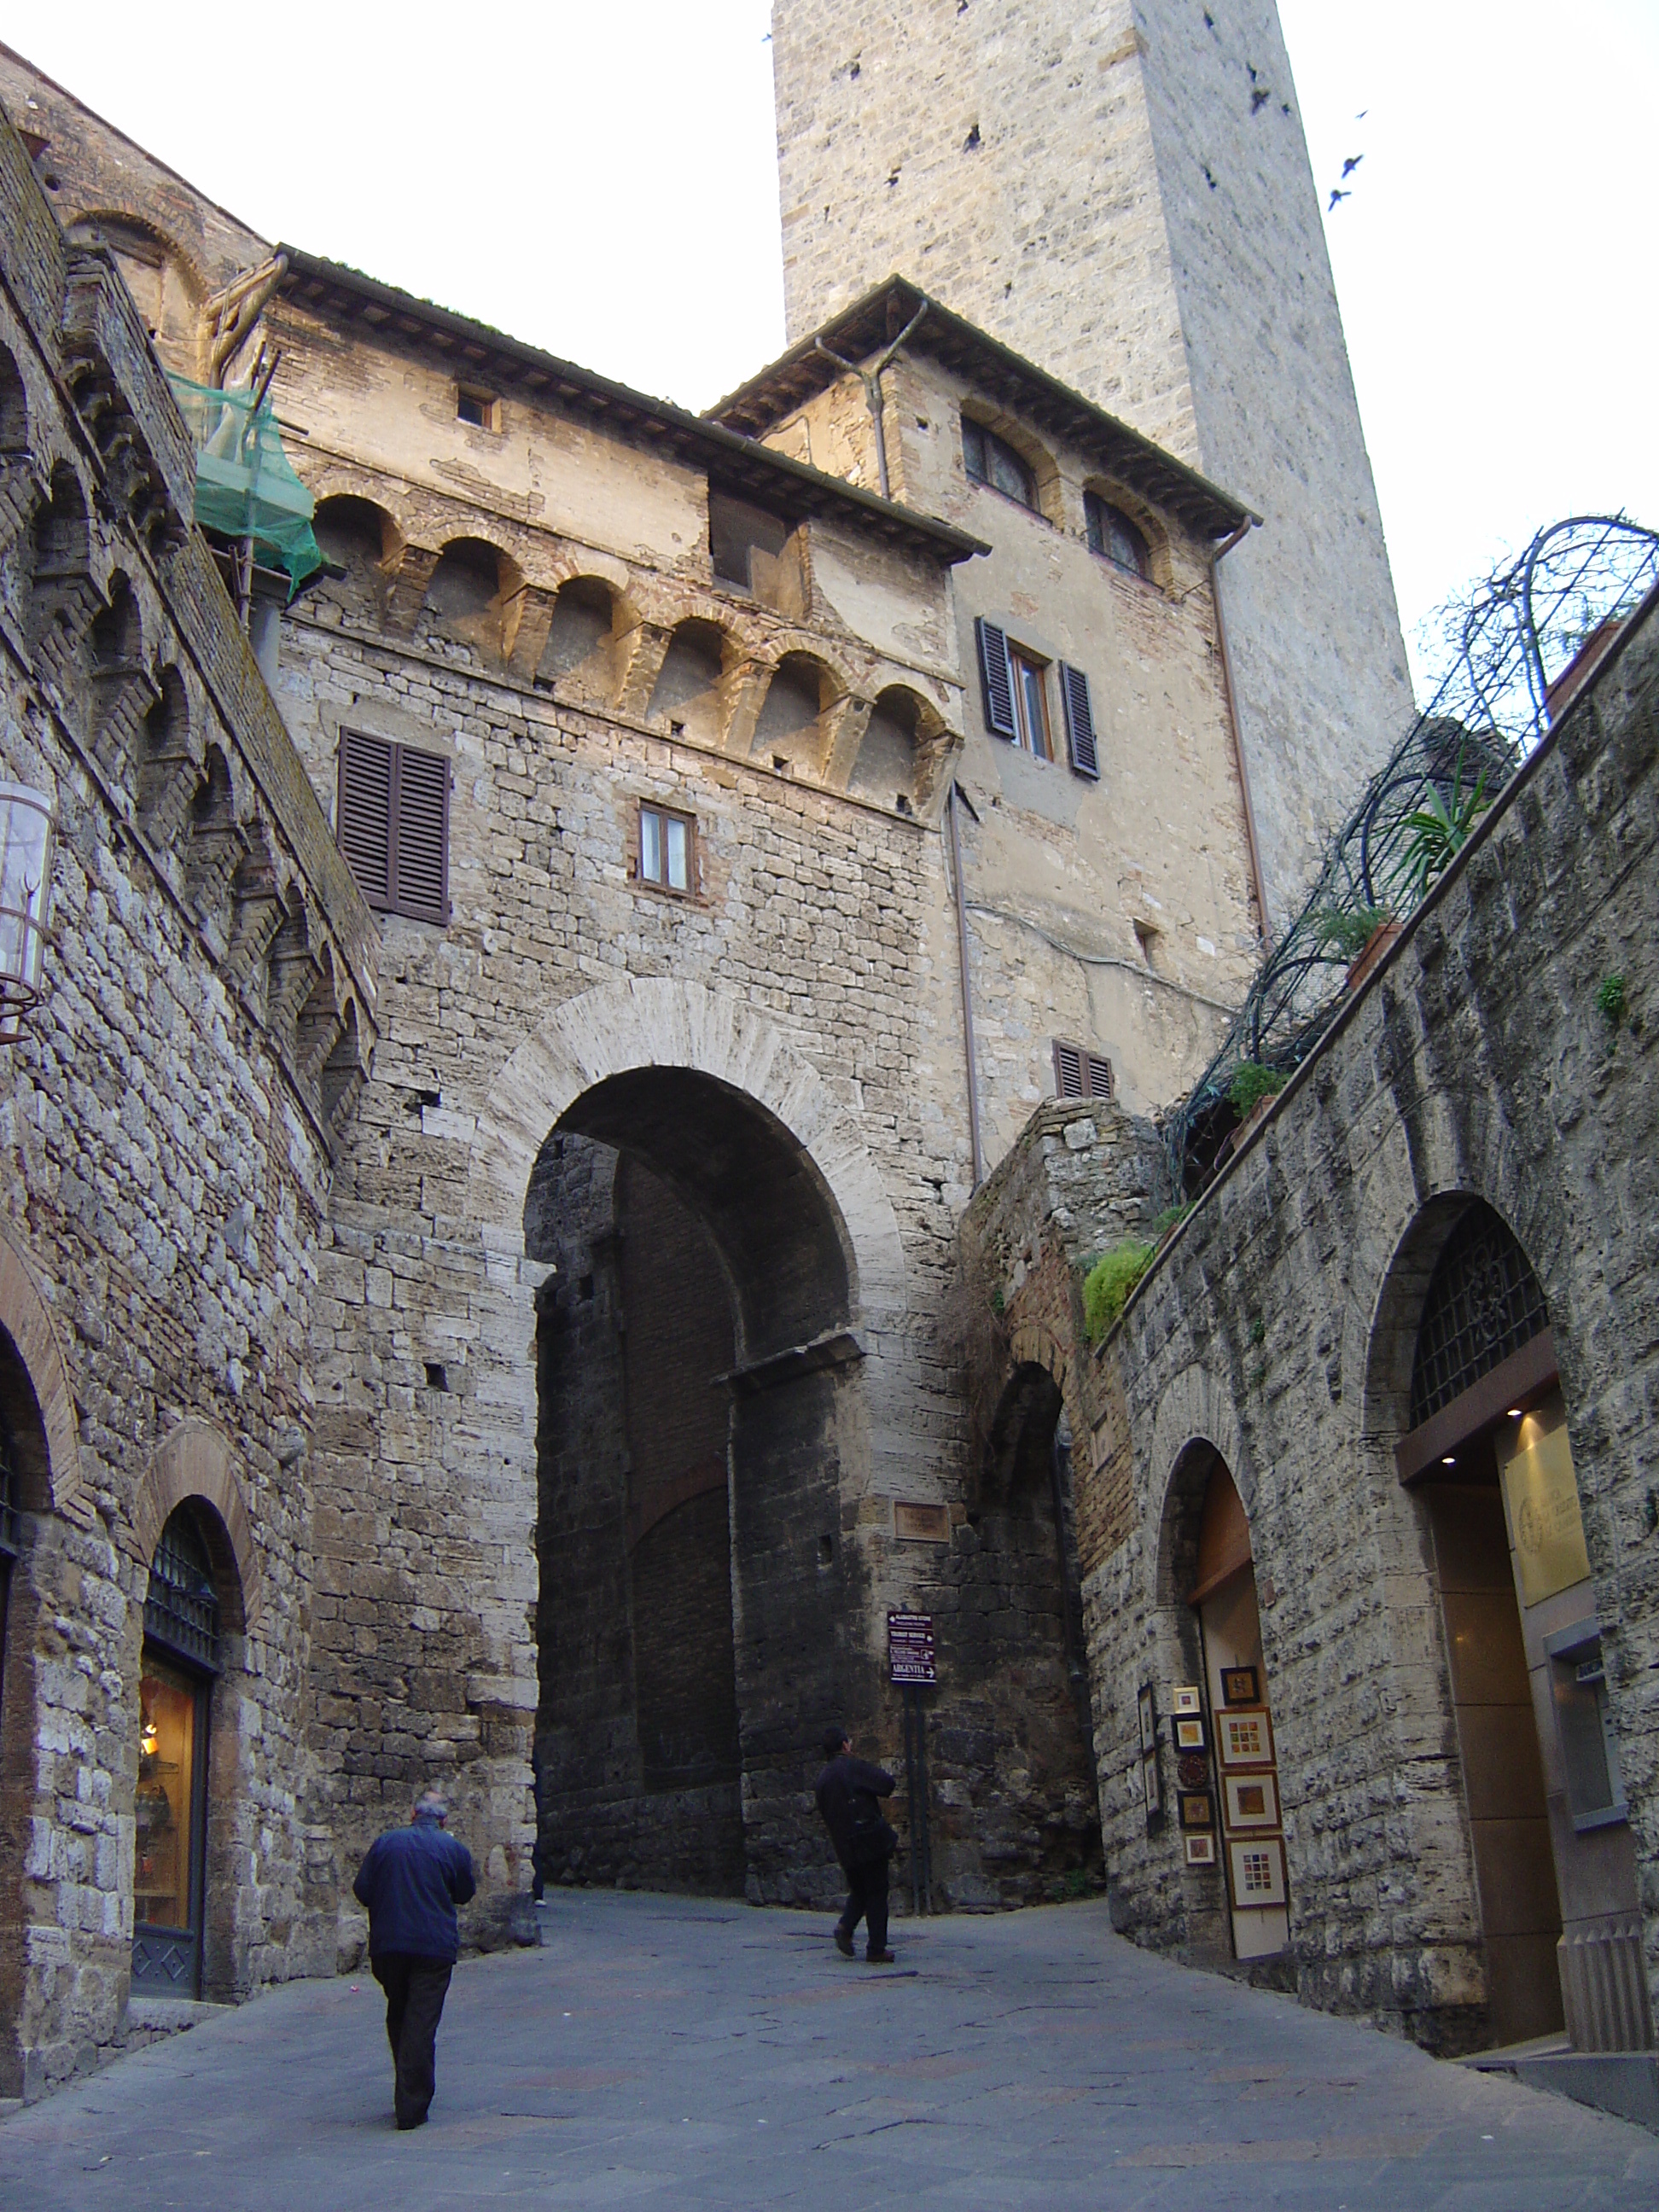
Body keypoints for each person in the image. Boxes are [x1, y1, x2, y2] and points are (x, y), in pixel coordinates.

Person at [352, 1787, 477, 2130]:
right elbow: (465, 1893)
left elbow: (362, 1890)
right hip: (433, 1948)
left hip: (388, 1945)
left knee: (400, 2010)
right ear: (444, 1819)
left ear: (412, 1813)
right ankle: (411, 2105)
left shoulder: (385, 1843)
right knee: (421, 2021)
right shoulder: (453, 1849)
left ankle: (406, 2087)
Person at [814, 1726, 898, 1964]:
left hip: (844, 1846)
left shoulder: (822, 1780)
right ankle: (876, 1948)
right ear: (845, 1745)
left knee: (860, 1889)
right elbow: (886, 1784)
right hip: (868, 1840)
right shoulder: (852, 1767)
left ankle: (845, 1928)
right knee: (877, 1891)